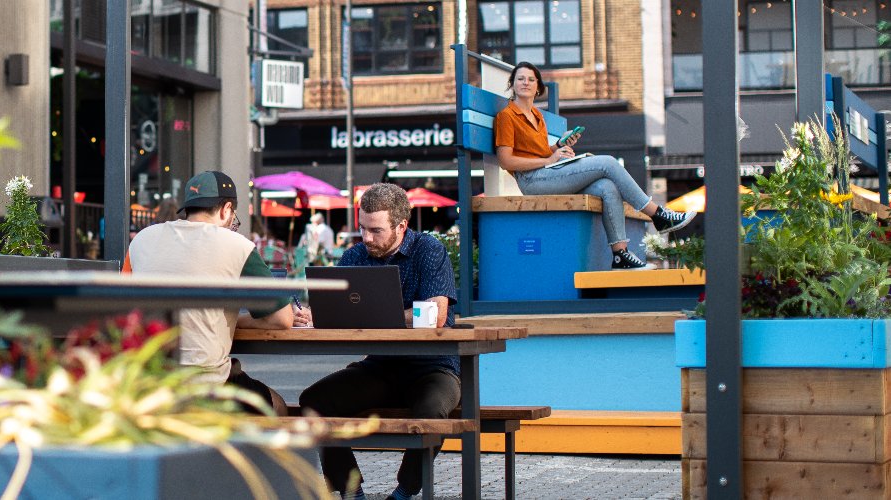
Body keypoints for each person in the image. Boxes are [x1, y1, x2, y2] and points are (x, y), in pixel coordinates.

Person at [294, 183, 457, 500]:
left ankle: (405, 491)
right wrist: (313, 315)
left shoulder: (428, 249)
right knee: (315, 401)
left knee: (432, 412)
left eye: (376, 231)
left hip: (433, 366)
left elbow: (435, 314)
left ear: (401, 226)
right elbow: (335, 309)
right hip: (380, 366)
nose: (367, 238)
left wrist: (373, 314)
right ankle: (350, 490)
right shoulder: (355, 255)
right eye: (363, 229)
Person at [493, 62, 695, 270]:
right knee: (608, 163)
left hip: (548, 174)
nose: (525, 83)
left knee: (607, 186)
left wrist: (559, 146)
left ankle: (620, 255)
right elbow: (506, 160)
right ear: (512, 84)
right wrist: (549, 160)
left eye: (531, 79)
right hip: (532, 181)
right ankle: (657, 214)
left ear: (538, 87)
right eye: (520, 79)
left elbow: (540, 152)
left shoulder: (537, 115)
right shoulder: (507, 117)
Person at [123, 171, 295, 414]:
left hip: (148, 381)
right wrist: (233, 320)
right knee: (279, 407)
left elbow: (124, 308)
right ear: (226, 210)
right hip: (206, 384)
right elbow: (282, 319)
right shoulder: (237, 245)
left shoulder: (141, 240)